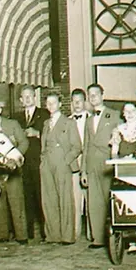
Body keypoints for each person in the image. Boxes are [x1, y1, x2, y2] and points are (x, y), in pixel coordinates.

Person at [0, 99, 29, 244]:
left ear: (0, 110)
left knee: (16, 202)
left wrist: (14, 159)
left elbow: (24, 142)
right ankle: (1, 235)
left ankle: (21, 235)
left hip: (12, 170)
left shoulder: (12, 124)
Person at [81, 83, 120, 249]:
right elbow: (86, 145)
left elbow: (119, 139)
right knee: (94, 202)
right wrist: (83, 170)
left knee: (110, 200)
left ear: (102, 95)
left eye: (95, 94)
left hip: (107, 163)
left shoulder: (114, 115)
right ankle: (98, 238)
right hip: (91, 164)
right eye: (90, 95)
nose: (92, 97)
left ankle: (114, 237)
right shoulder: (88, 119)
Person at [40, 92, 82, 245]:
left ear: (60, 104)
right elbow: (43, 146)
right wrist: (43, 160)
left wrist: (66, 161)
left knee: (65, 199)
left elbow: (77, 146)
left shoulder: (68, 123)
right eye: (48, 103)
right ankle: (52, 235)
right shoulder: (45, 124)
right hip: (47, 163)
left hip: (62, 162)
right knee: (49, 198)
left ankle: (66, 236)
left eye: (53, 102)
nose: (50, 105)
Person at [16, 85, 48, 241]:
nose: (27, 99)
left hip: (39, 161)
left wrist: (38, 133)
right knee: (26, 197)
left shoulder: (44, 114)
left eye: (30, 96)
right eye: (24, 97)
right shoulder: (16, 117)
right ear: (21, 100)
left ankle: (45, 231)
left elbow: (52, 134)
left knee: (41, 196)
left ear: (35, 97)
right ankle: (28, 232)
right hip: (23, 162)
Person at [69, 89, 90, 242]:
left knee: (91, 199)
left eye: (80, 101)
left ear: (85, 102)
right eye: (74, 101)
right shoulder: (67, 121)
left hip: (89, 162)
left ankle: (92, 233)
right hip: (73, 162)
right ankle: (75, 233)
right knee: (75, 199)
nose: (77, 104)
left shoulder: (93, 118)